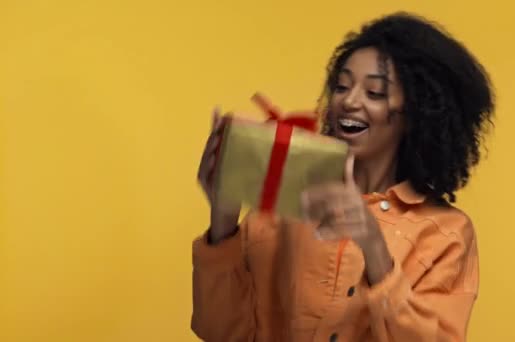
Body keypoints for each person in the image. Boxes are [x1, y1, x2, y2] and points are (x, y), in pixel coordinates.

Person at [192, 11, 494, 342]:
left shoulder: (447, 235)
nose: (349, 101)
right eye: (342, 86)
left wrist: (375, 250)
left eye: (375, 93)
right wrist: (223, 221)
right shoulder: (282, 205)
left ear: (416, 115)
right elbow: (221, 333)